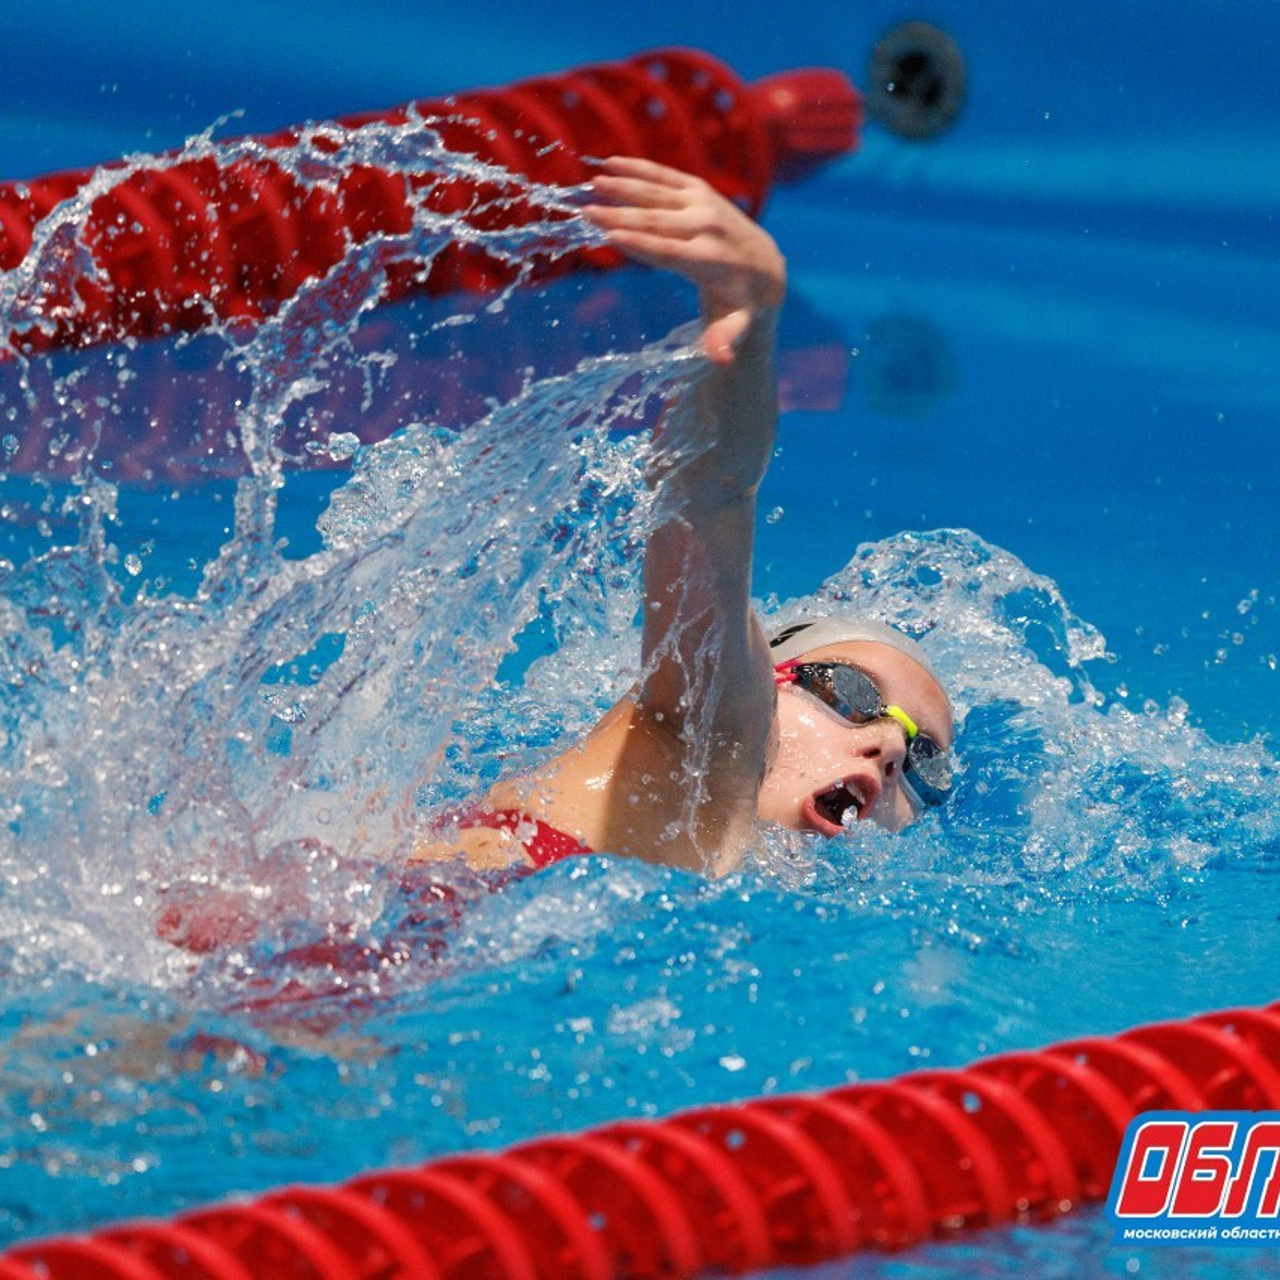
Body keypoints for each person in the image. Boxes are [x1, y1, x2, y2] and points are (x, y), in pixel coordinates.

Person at [411, 156, 954, 878]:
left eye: (924, 760)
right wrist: (753, 321)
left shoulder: (729, 871)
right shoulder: (718, 736)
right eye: (848, 694)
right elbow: (711, 493)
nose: (887, 746)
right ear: (769, 674)